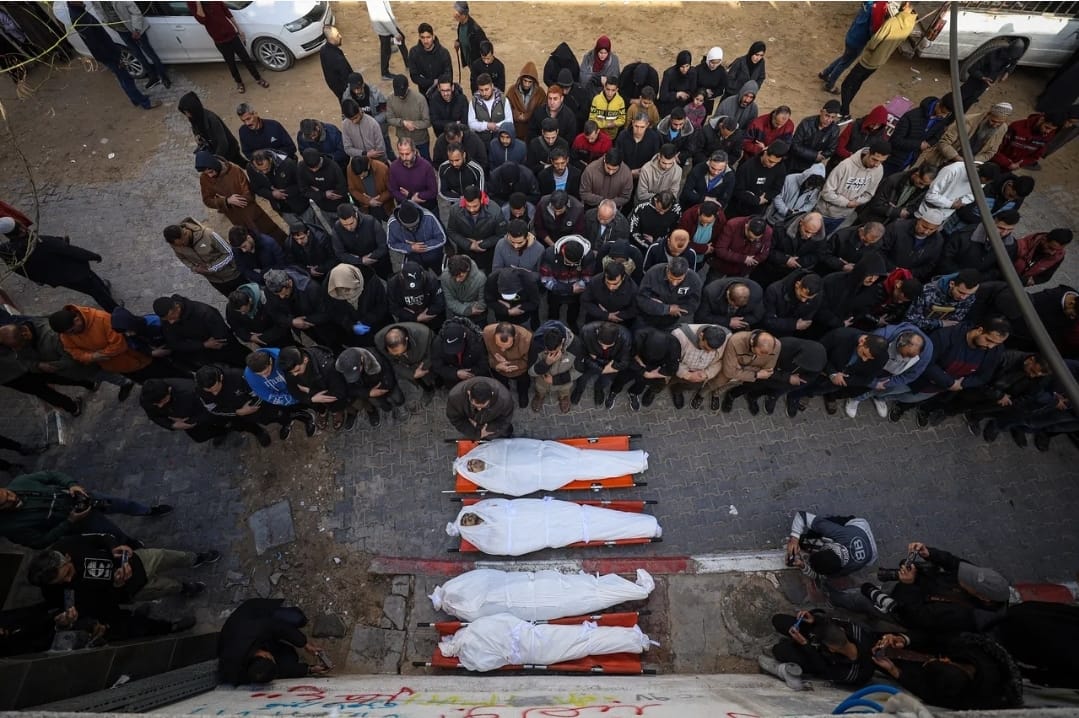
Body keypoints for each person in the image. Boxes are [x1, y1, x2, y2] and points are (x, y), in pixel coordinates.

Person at [29, 533, 217, 636]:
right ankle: (186, 588)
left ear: (67, 557)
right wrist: (117, 585)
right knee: (168, 587)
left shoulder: (66, 544)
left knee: (169, 556)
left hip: (137, 560)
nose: (68, 581)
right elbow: (103, 606)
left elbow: (100, 537)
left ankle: (196, 558)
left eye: (68, 573)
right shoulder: (59, 595)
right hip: (134, 588)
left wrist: (114, 547)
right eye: (61, 581)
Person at [0, 470, 169, 550]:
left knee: (123, 504)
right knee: (111, 533)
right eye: (5, 503)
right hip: (80, 522)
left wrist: (71, 485)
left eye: (7, 493)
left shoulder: (20, 483)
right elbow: (40, 542)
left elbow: (52, 475)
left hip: (85, 498)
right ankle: (130, 544)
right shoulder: (10, 528)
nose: (12, 498)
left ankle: (147, 511)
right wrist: (69, 522)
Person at [888, 318, 1009, 424]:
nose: (991, 346)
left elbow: (983, 377)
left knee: (909, 399)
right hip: (916, 379)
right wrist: (950, 382)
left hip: (935, 390)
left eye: (997, 344)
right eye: (989, 340)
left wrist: (962, 384)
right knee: (889, 391)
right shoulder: (946, 336)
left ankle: (901, 406)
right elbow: (926, 361)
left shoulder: (995, 351)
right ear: (980, 330)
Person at [0, 218, 119, 312]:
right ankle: (114, 310)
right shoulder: (40, 242)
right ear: (21, 229)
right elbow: (70, 251)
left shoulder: (7, 252)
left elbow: (19, 269)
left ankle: (104, 289)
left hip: (57, 278)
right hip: (75, 273)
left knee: (91, 286)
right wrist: (93, 256)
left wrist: (39, 279)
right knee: (95, 290)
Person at [454, 437, 647, 495]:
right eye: (472, 468)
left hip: (549, 457)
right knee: (587, 469)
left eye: (472, 461)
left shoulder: (496, 450)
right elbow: (517, 489)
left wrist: (543, 449)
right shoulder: (495, 481)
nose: (475, 464)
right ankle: (635, 463)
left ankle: (634, 460)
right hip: (548, 473)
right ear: (475, 475)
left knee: (586, 458)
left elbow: (517, 444)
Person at [66, 2, 159, 110]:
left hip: (108, 52)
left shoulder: (79, 11)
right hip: (108, 54)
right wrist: (114, 57)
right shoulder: (78, 18)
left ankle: (135, 99)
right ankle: (145, 103)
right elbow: (94, 43)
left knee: (123, 77)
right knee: (126, 78)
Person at [218, 599, 328, 685]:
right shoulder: (239, 672)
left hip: (255, 614)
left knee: (298, 618)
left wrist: (305, 644)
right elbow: (280, 672)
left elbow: (278, 627)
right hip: (259, 642)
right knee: (290, 657)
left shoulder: (251, 631)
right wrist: (310, 669)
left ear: (264, 655)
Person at [839, 2, 917, 118]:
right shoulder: (911, 23)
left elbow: (874, 42)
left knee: (846, 84)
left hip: (869, 59)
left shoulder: (892, 22)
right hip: (880, 61)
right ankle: (844, 109)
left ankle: (845, 112)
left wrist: (868, 48)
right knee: (857, 82)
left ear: (907, 4)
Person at [767, 609, 877, 688]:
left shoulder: (851, 673)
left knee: (778, 650)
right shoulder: (854, 630)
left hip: (819, 659)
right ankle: (796, 641)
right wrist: (814, 619)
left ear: (832, 649)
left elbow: (821, 669)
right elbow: (829, 622)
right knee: (778, 620)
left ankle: (793, 644)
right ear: (842, 630)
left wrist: (805, 644)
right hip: (820, 634)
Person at [196, 151, 285, 244]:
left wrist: (238, 200)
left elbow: (249, 194)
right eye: (207, 173)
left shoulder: (234, 171)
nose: (210, 175)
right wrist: (226, 201)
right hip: (236, 217)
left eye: (211, 172)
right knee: (252, 242)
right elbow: (207, 200)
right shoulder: (205, 179)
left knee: (274, 235)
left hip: (252, 212)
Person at [188, 0, 269, 93]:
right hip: (219, 40)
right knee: (231, 63)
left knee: (246, 58)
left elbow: (227, 12)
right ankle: (239, 82)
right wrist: (198, 2)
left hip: (231, 34)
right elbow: (202, 20)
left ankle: (258, 78)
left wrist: (239, 29)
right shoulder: (191, 3)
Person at [816, 139, 890, 236]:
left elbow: (869, 193)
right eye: (874, 159)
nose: (876, 164)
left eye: (881, 161)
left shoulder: (879, 170)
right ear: (868, 153)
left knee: (822, 239)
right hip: (824, 213)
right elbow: (826, 192)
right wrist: (847, 203)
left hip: (843, 216)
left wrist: (858, 201)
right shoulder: (845, 165)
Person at [786, 510, 877, 581]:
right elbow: (802, 515)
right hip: (860, 526)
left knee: (810, 540)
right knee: (813, 533)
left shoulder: (844, 569)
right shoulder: (840, 533)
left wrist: (803, 566)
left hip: (870, 552)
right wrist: (794, 539)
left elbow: (819, 576)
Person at [98, 1, 171, 89]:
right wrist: (107, 23)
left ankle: (163, 76)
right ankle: (152, 76)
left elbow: (135, 12)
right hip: (121, 31)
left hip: (134, 28)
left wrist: (136, 30)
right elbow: (98, 10)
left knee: (149, 52)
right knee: (137, 54)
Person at [918, 103, 1011, 169]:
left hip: (963, 168)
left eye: (999, 123)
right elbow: (943, 142)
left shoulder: (1002, 128)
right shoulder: (966, 121)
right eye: (993, 121)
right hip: (940, 162)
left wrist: (972, 161)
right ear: (988, 114)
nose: (995, 125)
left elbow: (991, 152)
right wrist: (957, 158)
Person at [818, 1, 882, 93]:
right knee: (844, 63)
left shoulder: (869, 3)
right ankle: (830, 84)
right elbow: (873, 29)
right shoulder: (877, 8)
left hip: (852, 34)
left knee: (845, 57)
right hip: (859, 40)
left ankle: (825, 72)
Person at [752, 212, 828, 288]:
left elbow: (819, 255)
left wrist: (799, 261)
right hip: (770, 269)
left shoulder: (820, 236)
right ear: (801, 222)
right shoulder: (781, 228)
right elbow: (767, 249)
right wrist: (786, 259)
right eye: (807, 231)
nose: (809, 236)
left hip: (791, 274)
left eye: (813, 233)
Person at [884, 94, 954, 175]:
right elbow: (896, 141)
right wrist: (919, 145)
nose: (943, 116)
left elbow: (937, 136)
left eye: (946, 114)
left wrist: (929, 143)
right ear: (939, 103)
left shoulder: (942, 119)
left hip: (910, 160)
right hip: (893, 159)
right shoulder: (911, 117)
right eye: (942, 112)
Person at [540, 234, 595, 327]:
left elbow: (587, 278)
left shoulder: (588, 256)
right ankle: (552, 326)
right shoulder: (550, 254)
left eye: (575, 264)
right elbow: (546, 280)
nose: (572, 266)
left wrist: (578, 287)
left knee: (573, 313)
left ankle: (572, 324)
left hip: (576, 293)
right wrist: (570, 289)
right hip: (555, 292)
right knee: (553, 312)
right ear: (563, 251)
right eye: (568, 262)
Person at [854, 164, 937, 226]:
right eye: (921, 183)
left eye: (925, 185)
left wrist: (902, 211)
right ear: (916, 174)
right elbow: (876, 204)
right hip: (869, 220)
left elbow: (914, 207)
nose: (922, 187)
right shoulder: (894, 180)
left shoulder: (923, 189)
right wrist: (898, 211)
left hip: (888, 224)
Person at [528, 320, 582, 413]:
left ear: (562, 341)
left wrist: (555, 380)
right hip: (542, 380)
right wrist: (546, 363)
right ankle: (539, 395)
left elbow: (579, 370)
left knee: (564, 390)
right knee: (540, 388)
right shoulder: (536, 343)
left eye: (554, 351)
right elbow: (531, 371)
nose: (551, 354)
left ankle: (564, 397)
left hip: (564, 382)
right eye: (547, 351)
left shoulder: (576, 346)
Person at [880, 207, 947, 282]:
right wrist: (893, 269)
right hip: (882, 271)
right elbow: (880, 250)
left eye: (931, 229)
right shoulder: (897, 227)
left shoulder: (938, 241)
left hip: (906, 279)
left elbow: (929, 265)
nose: (926, 232)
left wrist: (908, 273)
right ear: (919, 220)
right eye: (924, 227)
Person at [247, 150, 311, 227]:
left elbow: (302, 183)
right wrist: (271, 194)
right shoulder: (251, 168)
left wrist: (285, 192)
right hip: (281, 208)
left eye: (267, 168)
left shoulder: (288, 164)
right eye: (260, 171)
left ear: (270, 160)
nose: (264, 172)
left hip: (301, 204)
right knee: (297, 229)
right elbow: (257, 188)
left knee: (314, 226)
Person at [623, 326, 681, 411]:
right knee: (624, 377)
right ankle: (620, 391)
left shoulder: (674, 345)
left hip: (656, 367)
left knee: (648, 382)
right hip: (638, 361)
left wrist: (655, 374)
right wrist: (642, 370)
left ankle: (639, 392)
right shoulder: (638, 336)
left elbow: (672, 368)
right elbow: (627, 357)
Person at [178, 92, 244, 165]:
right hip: (214, 149)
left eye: (187, 112)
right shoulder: (194, 118)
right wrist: (197, 136)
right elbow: (195, 129)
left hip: (229, 150)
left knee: (241, 163)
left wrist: (215, 160)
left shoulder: (211, 119)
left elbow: (223, 143)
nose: (187, 115)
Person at [726, 141, 788, 219]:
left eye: (776, 162)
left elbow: (777, 188)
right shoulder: (747, 167)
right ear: (765, 152)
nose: (772, 165)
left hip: (758, 211)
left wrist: (765, 197)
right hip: (738, 208)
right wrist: (756, 200)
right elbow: (737, 190)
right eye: (770, 161)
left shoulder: (780, 167)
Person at [636, 257, 702, 330]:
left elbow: (693, 304)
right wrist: (667, 309)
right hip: (646, 317)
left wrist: (678, 309)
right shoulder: (653, 273)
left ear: (686, 273)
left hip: (673, 321)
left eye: (679, 279)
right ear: (667, 269)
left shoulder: (694, 280)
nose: (674, 283)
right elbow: (641, 299)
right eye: (671, 278)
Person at [386, 201, 447, 273]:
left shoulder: (429, 217)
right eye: (408, 227)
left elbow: (441, 238)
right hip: (413, 260)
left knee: (440, 273)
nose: (412, 229)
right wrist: (410, 248)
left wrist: (422, 246)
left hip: (434, 256)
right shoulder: (392, 223)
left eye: (415, 225)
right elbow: (391, 244)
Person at [991, 111, 1064, 171]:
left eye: (1052, 129)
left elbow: (1035, 156)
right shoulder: (1016, 127)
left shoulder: (1048, 135)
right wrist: (1007, 163)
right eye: (1047, 127)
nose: (1048, 132)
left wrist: (1020, 164)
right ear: (1041, 119)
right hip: (994, 161)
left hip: (1012, 167)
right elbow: (995, 146)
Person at [446, 375, 514, 439]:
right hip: (471, 423)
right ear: (469, 393)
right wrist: (476, 434)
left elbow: (504, 420)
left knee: (505, 431)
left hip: (491, 422)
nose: (479, 409)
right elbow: (455, 419)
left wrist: (487, 430)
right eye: (475, 406)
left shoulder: (504, 399)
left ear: (492, 394)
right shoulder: (455, 397)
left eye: (484, 406)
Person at [762, 269, 824, 338]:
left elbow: (805, 320)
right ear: (797, 284)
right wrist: (794, 324)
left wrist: (780, 321)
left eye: (808, 298)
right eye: (802, 296)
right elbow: (769, 321)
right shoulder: (774, 291)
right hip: (769, 333)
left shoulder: (817, 295)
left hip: (791, 333)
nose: (804, 300)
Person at [787, 101, 842, 173]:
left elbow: (831, 149)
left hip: (812, 165)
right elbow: (795, 145)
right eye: (827, 116)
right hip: (795, 162)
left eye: (833, 117)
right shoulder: (806, 123)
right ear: (821, 112)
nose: (829, 120)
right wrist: (815, 155)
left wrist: (822, 155)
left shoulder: (835, 130)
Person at [389, 137, 439, 214]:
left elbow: (433, 191)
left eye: (407, 154)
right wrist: (409, 200)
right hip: (407, 209)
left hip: (428, 209)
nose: (404, 158)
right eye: (401, 154)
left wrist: (414, 195)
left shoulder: (426, 166)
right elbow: (393, 190)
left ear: (414, 151)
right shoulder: (394, 167)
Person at [697, 277, 764, 330]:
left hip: (738, 327)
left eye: (739, 306)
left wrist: (739, 322)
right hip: (715, 326)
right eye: (734, 304)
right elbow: (702, 317)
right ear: (727, 294)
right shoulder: (711, 292)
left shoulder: (756, 292)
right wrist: (728, 322)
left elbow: (757, 315)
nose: (736, 308)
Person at [364, 0, 406, 81]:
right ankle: (385, 73)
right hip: (385, 28)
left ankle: (407, 63)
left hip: (383, 26)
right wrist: (395, 33)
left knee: (397, 42)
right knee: (386, 51)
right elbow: (383, 16)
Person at [467, 73, 513, 146]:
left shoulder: (503, 100)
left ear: (492, 86)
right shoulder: (473, 102)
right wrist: (486, 125)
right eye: (481, 90)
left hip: (500, 141)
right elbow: (471, 123)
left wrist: (496, 126)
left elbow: (509, 121)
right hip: (481, 142)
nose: (484, 93)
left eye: (486, 89)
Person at [408, 22, 452, 95]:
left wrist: (437, 82)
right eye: (422, 37)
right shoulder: (414, 53)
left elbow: (448, 74)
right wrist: (432, 82)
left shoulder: (443, 53)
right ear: (419, 37)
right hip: (424, 92)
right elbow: (414, 76)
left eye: (428, 37)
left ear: (433, 37)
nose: (425, 41)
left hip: (441, 92)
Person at [507, 61, 546, 141]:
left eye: (530, 82)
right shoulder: (512, 90)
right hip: (515, 129)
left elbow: (542, 110)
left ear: (534, 81)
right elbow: (507, 107)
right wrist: (516, 115)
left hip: (532, 130)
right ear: (521, 79)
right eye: (525, 81)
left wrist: (528, 116)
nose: (527, 84)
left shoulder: (540, 93)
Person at [319, 25, 353, 99]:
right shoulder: (338, 59)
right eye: (337, 35)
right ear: (331, 39)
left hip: (335, 88)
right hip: (345, 91)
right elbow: (347, 77)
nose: (340, 36)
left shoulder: (323, 50)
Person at [452, 1, 487, 71]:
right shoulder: (461, 24)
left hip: (478, 67)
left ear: (464, 15)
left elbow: (486, 46)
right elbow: (464, 37)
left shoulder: (476, 30)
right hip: (471, 64)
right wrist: (458, 41)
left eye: (457, 15)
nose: (454, 16)